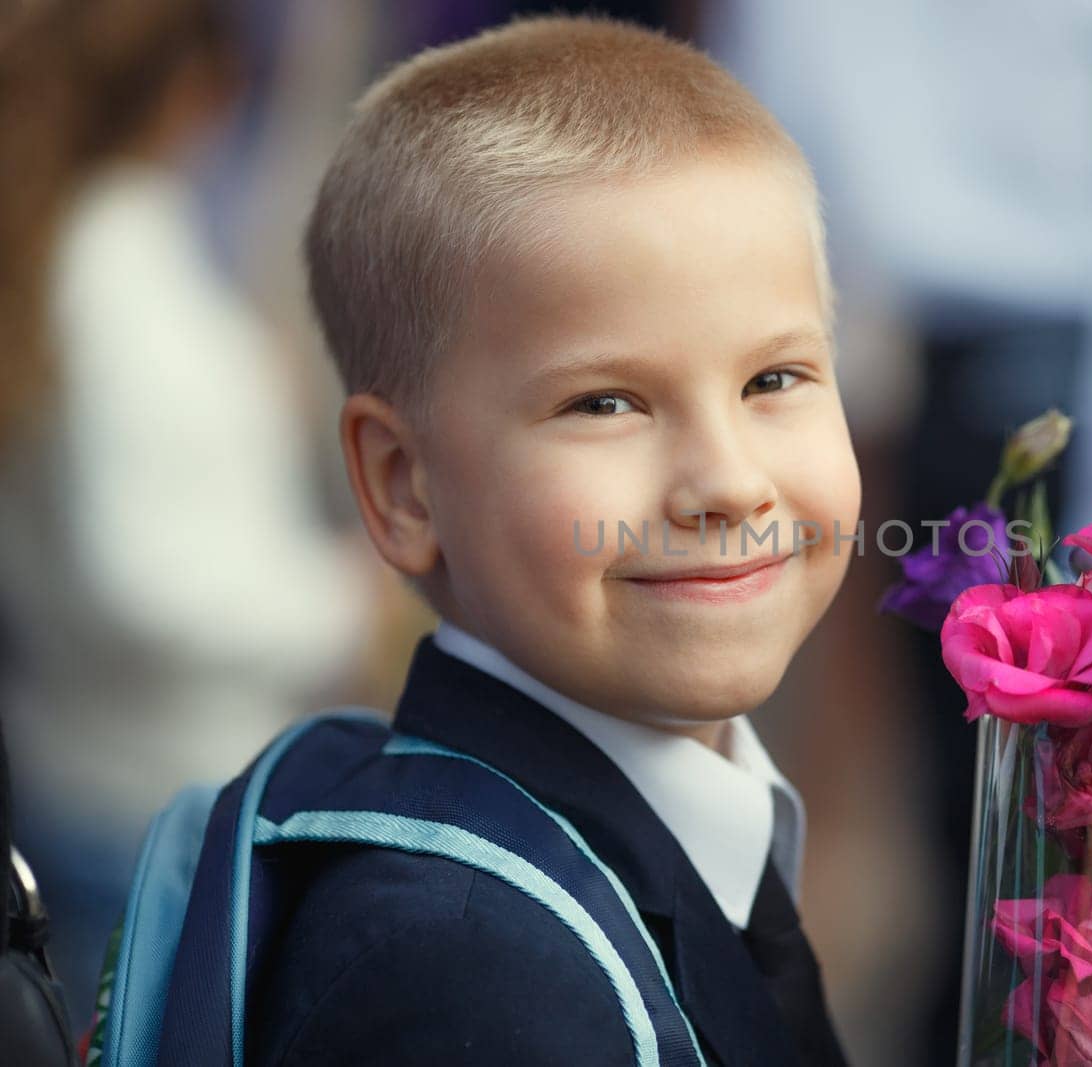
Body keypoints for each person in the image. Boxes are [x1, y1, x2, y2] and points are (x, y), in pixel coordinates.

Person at [243, 15, 860, 1065]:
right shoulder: (466, 973)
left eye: (773, 379)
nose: (727, 481)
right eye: (607, 402)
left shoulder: (649, 840)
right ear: (404, 483)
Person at [0, 0, 375, 1021]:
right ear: (191, 87)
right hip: (140, 793)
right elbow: (134, 568)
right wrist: (341, 599)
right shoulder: (113, 277)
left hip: (104, 762)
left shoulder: (91, 246)